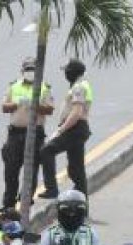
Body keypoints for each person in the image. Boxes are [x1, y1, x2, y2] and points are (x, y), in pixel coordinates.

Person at [2, 57, 56, 210]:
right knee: (11, 170)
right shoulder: (14, 86)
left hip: (34, 134)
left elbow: (50, 109)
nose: (30, 72)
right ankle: (9, 204)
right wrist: (16, 104)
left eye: (32, 69)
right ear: (22, 71)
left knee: (31, 170)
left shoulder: (44, 87)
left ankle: (26, 201)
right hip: (15, 134)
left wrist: (35, 105)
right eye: (28, 69)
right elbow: (4, 107)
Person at [39, 59, 93, 198]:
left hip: (75, 128)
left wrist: (61, 129)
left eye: (67, 71)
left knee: (46, 151)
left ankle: (52, 189)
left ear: (72, 72)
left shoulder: (78, 88)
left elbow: (76, 113)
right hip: (78, 128)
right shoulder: (81, 85)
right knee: (76, 168)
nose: (65, 74)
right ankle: (82, 198)